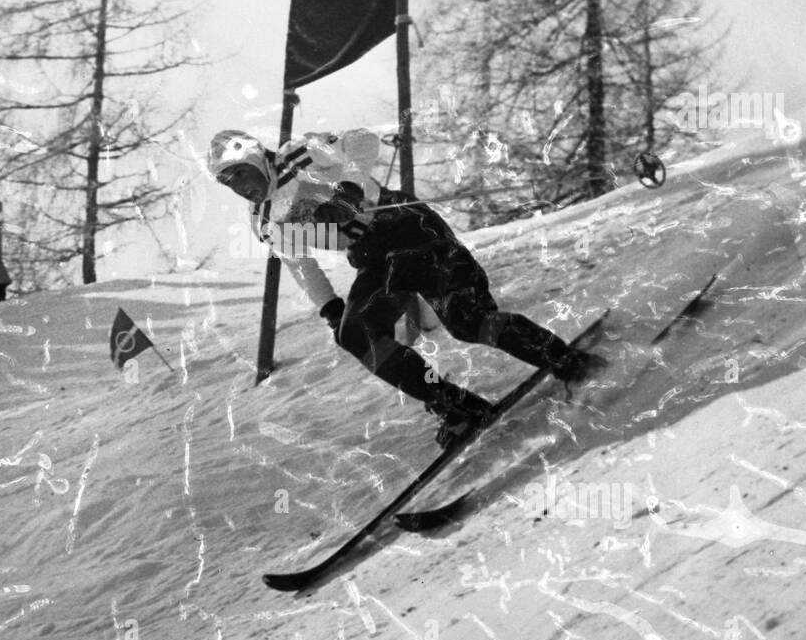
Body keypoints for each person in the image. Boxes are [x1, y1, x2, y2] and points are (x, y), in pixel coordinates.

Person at [208, 128, 606, 447]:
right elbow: (299, 262)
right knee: (355, 334)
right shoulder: (264, 216)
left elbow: (363, 141)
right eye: (227, 182)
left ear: (258, 157)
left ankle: (567, 362)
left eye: (240, 172)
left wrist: (348, 190)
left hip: (407, 226)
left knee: (467, 321)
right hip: (373, 256)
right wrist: (330, 307)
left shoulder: (301, 153)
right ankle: (457, 408)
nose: (239, 186)